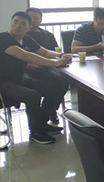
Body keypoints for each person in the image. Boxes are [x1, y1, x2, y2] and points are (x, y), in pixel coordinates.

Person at [0, 12, 71, 144]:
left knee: (58, 86)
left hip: (19, 79)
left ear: (29, 27)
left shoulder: (26, 39)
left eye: (23, 23)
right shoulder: (3, 38)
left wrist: (61, 55)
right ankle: (36, 132)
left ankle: (41, 123)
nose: (18, 25)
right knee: (33, 96)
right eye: (15, 21)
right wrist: (56, 63)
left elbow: (44, 52)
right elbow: (26, 56)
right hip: (4, 83)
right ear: (10, 22)